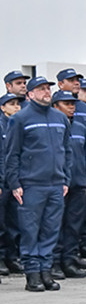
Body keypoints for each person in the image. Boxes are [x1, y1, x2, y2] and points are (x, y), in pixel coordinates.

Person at [5, 76, 71, 292]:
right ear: (30, 94)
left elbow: (67, 151)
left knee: (51, 229)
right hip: (31, 184)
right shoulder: (21, 119)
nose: (46, 92)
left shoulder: (60, 118)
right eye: (41, 89)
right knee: (30, 230)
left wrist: (65, 178)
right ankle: (32, 273)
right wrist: (14, 183)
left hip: (55, 183)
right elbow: (12, 154)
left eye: (47, 89)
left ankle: (45, 270)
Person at [51, 90, 86, 280]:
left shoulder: (82, 127)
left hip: (78, 184)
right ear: (55, 106)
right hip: (59, 183)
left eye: (73, 104)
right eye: (66, 104)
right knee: (56, 225)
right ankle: (54, 262)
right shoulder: (53, 126)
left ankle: (69, 259)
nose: (71, 107)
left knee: (74, 225)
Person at [0, 93, 24, 276]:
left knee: (14, 222)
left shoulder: (18, 125)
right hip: (2, 181)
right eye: (12, 104)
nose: (17, 107)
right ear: (2, 107)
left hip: (15, 180)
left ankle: (12, 257)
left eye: (18, 104)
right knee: (1, 223)